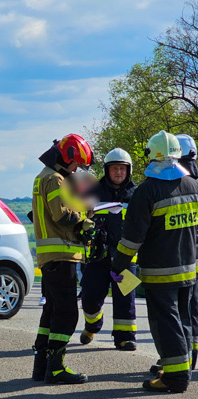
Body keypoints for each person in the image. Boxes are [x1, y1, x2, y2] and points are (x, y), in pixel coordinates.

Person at [112, 130, 198, 393]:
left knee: (166, 322)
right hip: (189, 268)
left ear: (151, 155)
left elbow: (132, 239)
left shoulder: (147, 190)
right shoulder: (193, 185)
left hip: (160, 272)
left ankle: (174, 378)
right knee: (184, 319)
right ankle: (181, 368)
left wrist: (118, 265)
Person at [31, 134, 95, 384]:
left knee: (51, 311)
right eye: (75, 163)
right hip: (62, 255)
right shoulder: (54, 178)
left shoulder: (45, 176)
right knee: (67, 313)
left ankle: (42, 366)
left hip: (52, 257)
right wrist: (85, 215)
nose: (76, 169)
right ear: (66, 157)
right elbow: (61, 215)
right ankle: (56, 369)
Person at [78, 149, 138, 351]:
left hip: (126, 257)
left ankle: (125, 337)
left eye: (122, 169)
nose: (119, 172)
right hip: (98, 257)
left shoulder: (136, 194)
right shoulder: (94, 192)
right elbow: (78, 213)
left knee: (126, 298)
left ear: (128, 171)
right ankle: (93, 323)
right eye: (115, 169)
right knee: (90, 296)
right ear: (107, 170)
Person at [177, 133, 198, 369]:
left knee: (187, 309)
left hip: (186, 257)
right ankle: (190, 358)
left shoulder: (181, 182)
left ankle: (185, 359)